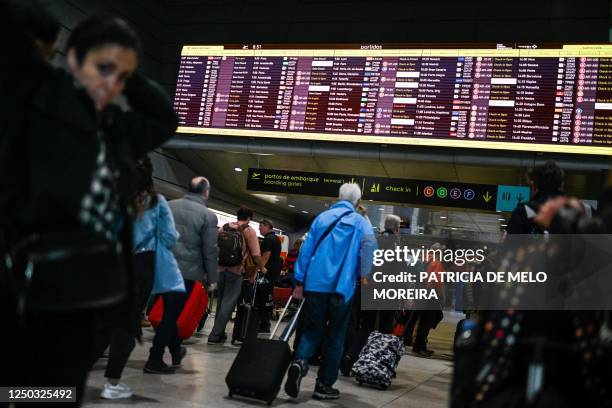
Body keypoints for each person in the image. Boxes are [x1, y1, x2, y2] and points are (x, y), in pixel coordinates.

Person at [1, 9, 178, 403]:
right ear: (72, 59)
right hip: (25, 279)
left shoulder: (114, 127)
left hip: (84, 291)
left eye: (122, 75)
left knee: (59, 392)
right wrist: (48, 39)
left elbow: (165, 120)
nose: (110, 82)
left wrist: (127, 79)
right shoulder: (35, 99)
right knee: (15, 387)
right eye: (104, 68)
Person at [93, 157, 182, 396]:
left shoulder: (116, 197)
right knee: (126, 325)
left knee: (105, 319)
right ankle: (112, 384)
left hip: (115, 262)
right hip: (142, 265)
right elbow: (170, 237)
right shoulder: (156, 201)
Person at [284, 183, 376, 401]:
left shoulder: (323, 218)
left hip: (315, 284)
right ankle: (324, 385)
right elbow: (371, 246)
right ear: (358, 201)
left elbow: (305, 251)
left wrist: (299, 281)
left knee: (311, 331)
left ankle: (300, 362)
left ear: (339, 196)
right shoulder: (360, 222)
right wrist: (363, 273)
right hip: (342, 288)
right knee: (336, 336)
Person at [143, 177, 219, 372]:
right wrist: (212, 279)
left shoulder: (169, 206)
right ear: (206, 192)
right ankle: (154, 359)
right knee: (170, 316)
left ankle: (176, 350)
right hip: (185, 273)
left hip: (161, 266)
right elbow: (210, 250)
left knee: (165, 313)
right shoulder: (207, 216)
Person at [208, 206, 267, 344]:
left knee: (221, 301)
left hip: (220, 269)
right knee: (228, 303)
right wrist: (262, 267)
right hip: (235, 270)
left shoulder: (225, 227)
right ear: (249, 218)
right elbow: (256, 254)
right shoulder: (249, 230)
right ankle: (215, 335)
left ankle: (219, 332)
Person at [507, 161, 565, 234]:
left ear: (534, 186)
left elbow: (512, 244)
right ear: (561, 186)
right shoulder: (576, 211)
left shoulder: (523, 212)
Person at [258, 219, 282, 333]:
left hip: (266, 274)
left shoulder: (268, 239)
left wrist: (259, 268)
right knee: (268, 299)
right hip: (273, 273)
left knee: (262, 298)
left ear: (267, 226)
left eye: (260, 226)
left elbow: (266, 256)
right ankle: (265, 324)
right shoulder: (277, 239)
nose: (259, 229)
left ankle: (263, 324)